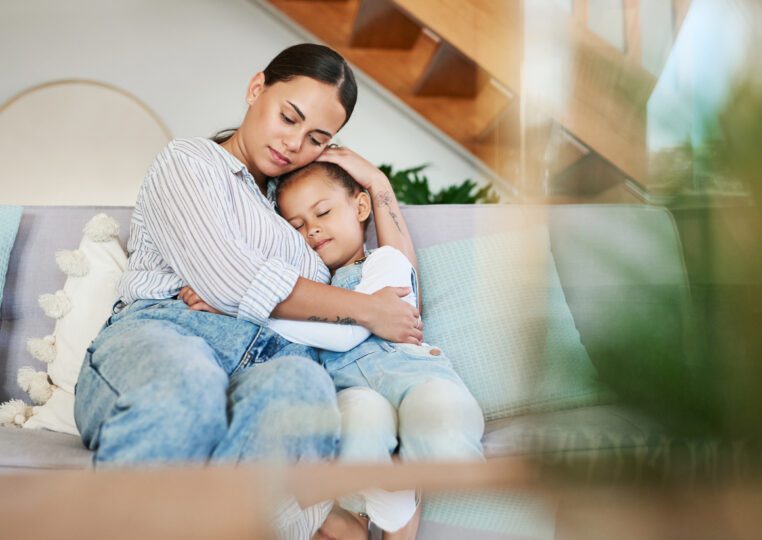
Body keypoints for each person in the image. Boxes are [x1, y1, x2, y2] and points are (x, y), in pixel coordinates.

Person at [73, 43, 422, 538]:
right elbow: (230, 278)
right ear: (257, 88)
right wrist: (362, 309)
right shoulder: (190, 162)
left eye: (317, 137)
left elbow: (400, 300)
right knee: (189, 386)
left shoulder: (299, 210)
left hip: (272, 362)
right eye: (288, 117)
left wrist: (377, 181)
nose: (294, 142)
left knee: (304, 392)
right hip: (165, 334)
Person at [182, 161, 486, 538]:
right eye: (296, 226)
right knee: (358, 426)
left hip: (412, 374)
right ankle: (390, 492)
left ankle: (421, 470)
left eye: (323, 212)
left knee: (439, 417)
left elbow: (348, 333)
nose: (312, 229)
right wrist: (226, 299)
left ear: (360, 209)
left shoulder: (385, 261)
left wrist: (249, 306)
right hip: (350, 389)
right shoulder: (305, 287)